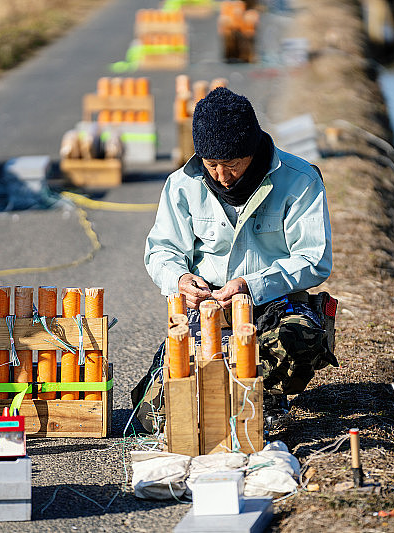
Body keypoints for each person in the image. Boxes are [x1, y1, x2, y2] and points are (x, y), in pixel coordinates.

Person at [132, 87, 337, 432]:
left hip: (276, 304)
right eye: (212, 165)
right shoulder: (183, 184)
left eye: (233, 165)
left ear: (253, 152)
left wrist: (250, 286)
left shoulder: (299, 180)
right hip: (210, 309)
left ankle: (266, 392)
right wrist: (180, 279)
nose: (222, 177)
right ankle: (219, 383)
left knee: (296, 342)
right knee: (155, 415)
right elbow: (161, 250)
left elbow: (314, 258)